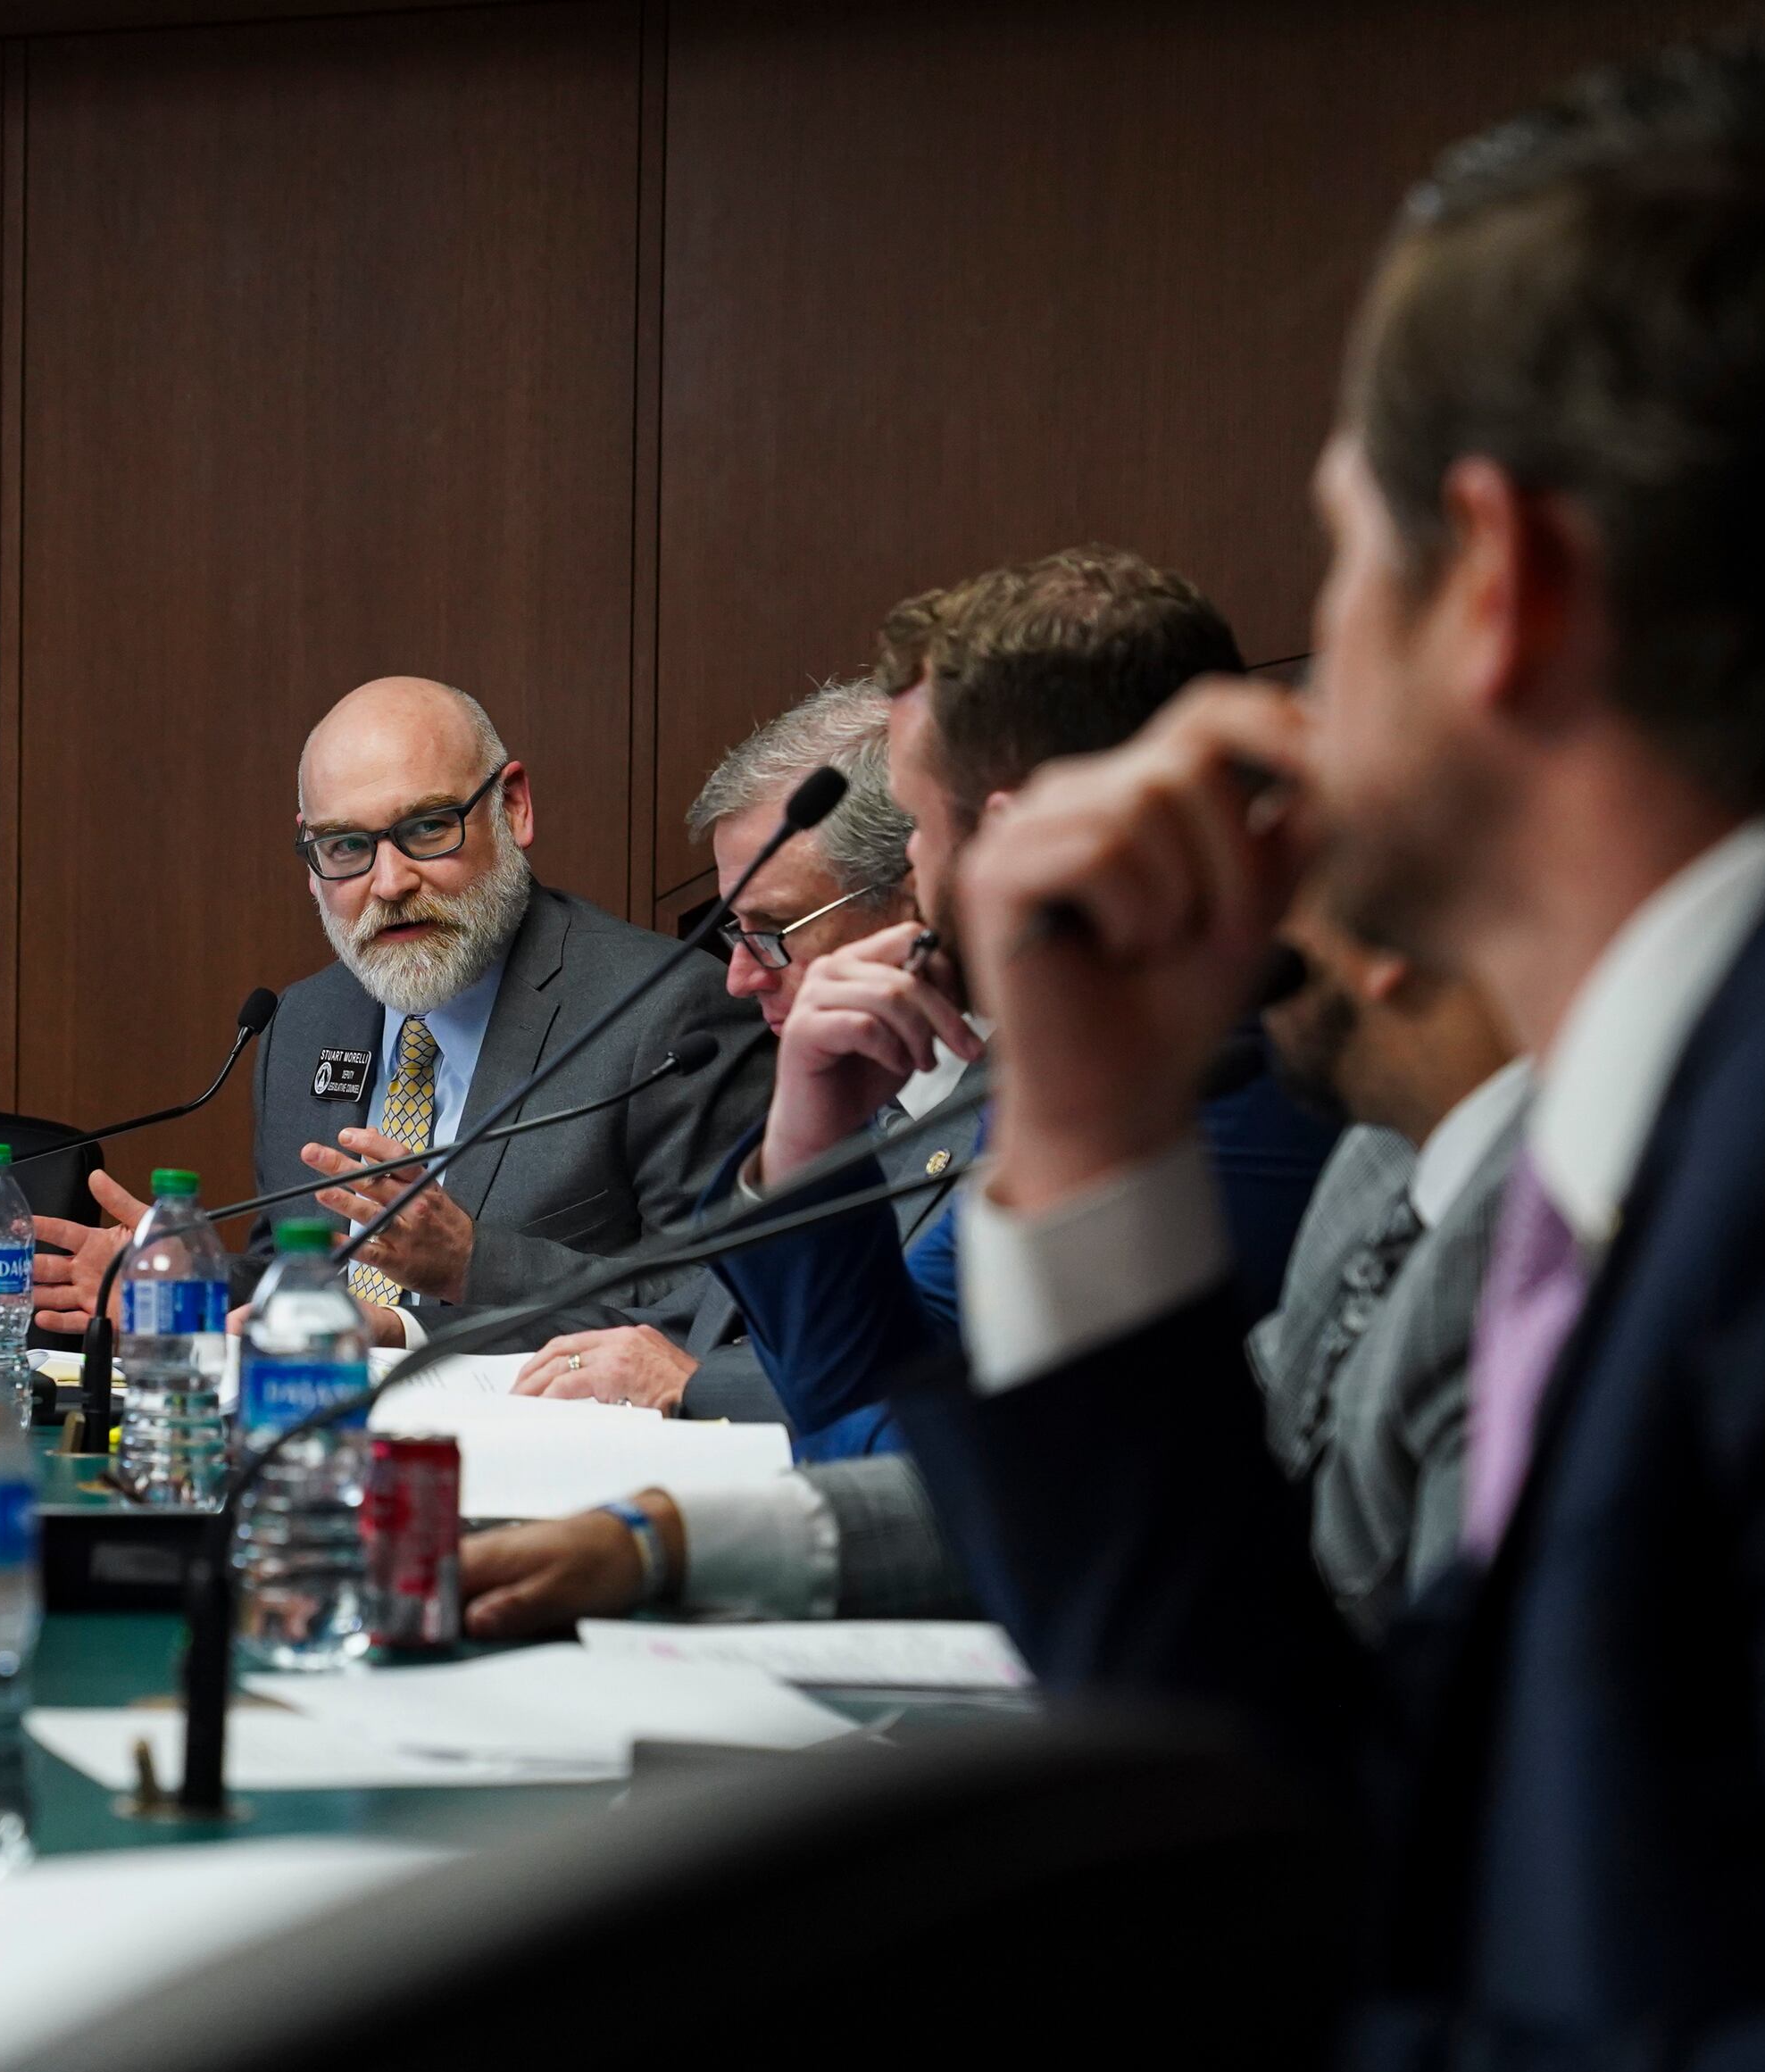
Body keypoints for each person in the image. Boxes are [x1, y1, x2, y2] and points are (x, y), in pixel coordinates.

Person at [889, 47, 1765, 2072]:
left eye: (1338, 551)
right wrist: (1083, 1142)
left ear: (1498, 587)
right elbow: (1347, 1854)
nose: (1292, 661)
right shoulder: (1699, 1096)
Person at [460, 887, 1519, 1639]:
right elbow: (1071, 1502)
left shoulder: (1244, 1096)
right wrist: (662, 1543)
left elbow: (1093, 1518)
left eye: (1297, 871)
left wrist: (1065, 1105)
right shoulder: (1381, 1168)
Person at [710, 549, 1339, 1462]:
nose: (914, 867)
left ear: (1011, 835)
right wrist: (810, 1152)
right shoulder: (1104, 1034)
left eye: (921, 826)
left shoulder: (1238, 1071)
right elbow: (877, 1390)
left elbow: (903, 1458)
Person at [29, 676, 773, 1349]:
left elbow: (723, 1304)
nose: (389, 882)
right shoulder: (302, 1023)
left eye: (426, 828)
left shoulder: (664, 1013)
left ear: (512, 807)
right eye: (347, 845)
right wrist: (192, 1290)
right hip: (312, 1446)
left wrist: (469, 1271)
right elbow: (301, 1280)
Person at [505, 681, 916, 1422]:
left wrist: (694, 1386)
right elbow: (682, 1319)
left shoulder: (1013, 1112)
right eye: (734, 930)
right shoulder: (862, 1102)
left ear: (913, 899)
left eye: (775, 927)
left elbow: (938, 1384)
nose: (740, 976)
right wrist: (406, 1328)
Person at [1250, 894, 1524, 1634]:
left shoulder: (1526, 1257)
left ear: (1385, 948)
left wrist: (1084, 1144)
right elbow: (1217, 1451)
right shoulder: (1379, 1151)